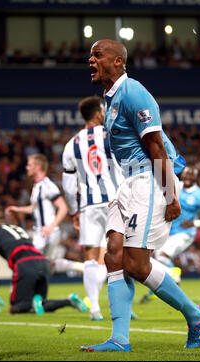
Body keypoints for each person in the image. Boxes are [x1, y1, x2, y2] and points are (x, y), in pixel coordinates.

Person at [80, 39, 200, 352]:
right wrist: (120, 191)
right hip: (128, 183)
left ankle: (196, 316)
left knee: (137, 264)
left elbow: (155, 147)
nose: (91, 60)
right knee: (113, 254)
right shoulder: (110, 99)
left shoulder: (133, 92)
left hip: (150, 181)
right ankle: (119, 339)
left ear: (117, 62)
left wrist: (171, 195)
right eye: (90, 56)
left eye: (97, 55)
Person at [62, 95, 124, 321]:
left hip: (88, 204)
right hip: (114, 201)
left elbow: (69, 186)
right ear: (98, 114)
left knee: (90, 257)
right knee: (119, 252)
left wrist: (73, 211)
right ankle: (121, 306)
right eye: (103, 110)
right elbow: (122, 167)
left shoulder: (71, 144)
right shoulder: (111, 136)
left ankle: (94, 309)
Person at [0, 206, 87, 315]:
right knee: (41, 303)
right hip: (42, 261)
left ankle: (32, 305)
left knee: (15, 309)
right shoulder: (17, 228)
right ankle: (69, 301)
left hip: (24, 264)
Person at [139, 165, 200, 302]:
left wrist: (195, 223)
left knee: (161, 256)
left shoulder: (199, 196)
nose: (188, 177)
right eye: (186, 174)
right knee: (156, 256)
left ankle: (173, 275)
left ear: (196, 178)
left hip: (185, 233)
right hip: (169, 230)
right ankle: (165, 281)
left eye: (191, 175)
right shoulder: (176, 185)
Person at [5, 153, 84, 275]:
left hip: (47, 232)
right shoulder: (37, 186)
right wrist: (17, 209)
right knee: (47, 264)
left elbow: (63, 207)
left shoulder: (47, 185)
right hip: (40, 232)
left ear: (38, 167)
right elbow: (34, 208)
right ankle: (81, 267)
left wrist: (51, 227)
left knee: (34, 264)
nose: (27, 167)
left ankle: (33, 293)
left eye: (29, 165)